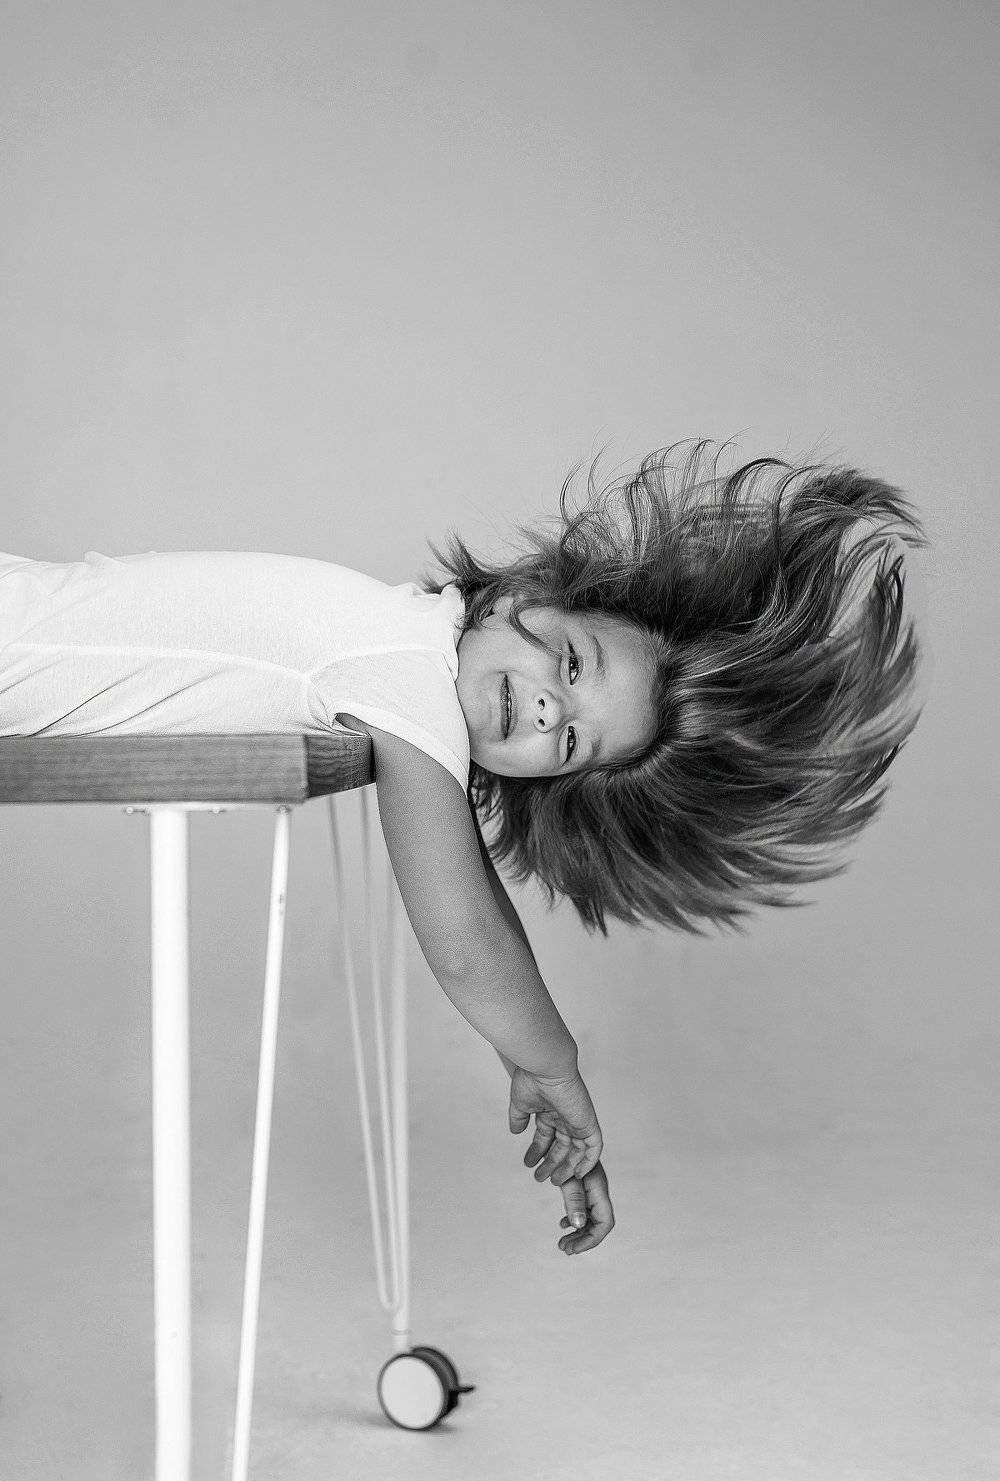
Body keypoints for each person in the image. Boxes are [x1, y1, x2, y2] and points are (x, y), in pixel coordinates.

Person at [0, 438, 930, 1258]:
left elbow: (475, 898)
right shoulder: (401, 666)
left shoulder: (401, 649)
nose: (548, 707)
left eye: (571, 740)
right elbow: (463, 936)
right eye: (572, 664)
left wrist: (525, 1057)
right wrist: (554, 1062)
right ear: (522, 601)